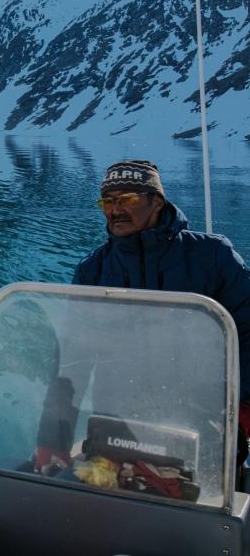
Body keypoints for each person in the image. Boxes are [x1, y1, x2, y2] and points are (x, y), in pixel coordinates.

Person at [62, 159, 250, 472]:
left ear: (157, 202)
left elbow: (246, 330)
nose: (115, 210)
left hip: (202, 420)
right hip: (117, 423)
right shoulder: (93, 270)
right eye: (107, 201)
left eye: (127, 199)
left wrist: (242, 410)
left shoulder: (212, 256)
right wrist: (54, 434)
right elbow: (73, 356)